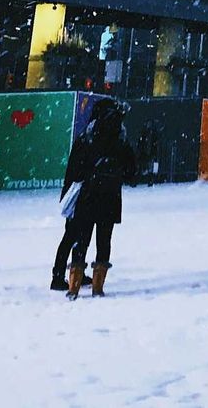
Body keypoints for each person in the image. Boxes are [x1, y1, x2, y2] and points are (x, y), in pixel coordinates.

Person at [62, 98, 137, 299]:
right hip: (110, 197)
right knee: (104, 241)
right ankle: (97, 286)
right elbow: (132, 171)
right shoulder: (120, 139)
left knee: (81, 239)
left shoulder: (87, 137)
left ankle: (74, 285)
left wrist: (69, 192)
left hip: (87, 195)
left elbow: (74, 169)